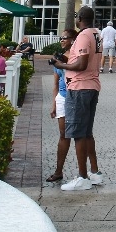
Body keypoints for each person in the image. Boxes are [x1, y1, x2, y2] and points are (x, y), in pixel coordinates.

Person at [61, 6, 105, 191]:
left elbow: (81, 64)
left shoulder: (83, 36)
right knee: (86, 132)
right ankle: (94, 172)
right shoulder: (97, 34)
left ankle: (82, 177)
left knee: (78, 133)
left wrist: (60, 64)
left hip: (80, 88)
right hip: (92, 86)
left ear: (79, 18)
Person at [46, 30, 76, 183]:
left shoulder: (77, 57)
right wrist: (54, 104)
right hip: (63, 98)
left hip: (76, 97)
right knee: (63, 134)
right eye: (61, 38)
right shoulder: (58, 58)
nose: (62, 40)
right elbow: (56, 84)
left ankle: (88, 171)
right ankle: (58, 171)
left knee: (82, 135)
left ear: (73, 39)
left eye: (65, 38)